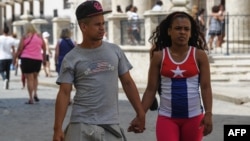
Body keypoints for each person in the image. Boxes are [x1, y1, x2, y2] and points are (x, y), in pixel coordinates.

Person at [52, 1, 145, 141]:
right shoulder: (71, 58)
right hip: (81, 125)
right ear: (83, 26)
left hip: (110, 126)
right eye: (97, 24)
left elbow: (128, 83)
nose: (102, 28)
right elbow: (64, 92)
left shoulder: (115, 51)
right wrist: (57, 128)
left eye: (103, 23)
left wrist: (140, 113)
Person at [131, 11, 213, 141]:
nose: (182, 32)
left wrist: (208, 114)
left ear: (191, 33)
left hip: (194, 118)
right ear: (169, 31)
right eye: (178, 28)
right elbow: (151, 89)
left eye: (186, 29)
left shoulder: (199, 56)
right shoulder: (159, 57)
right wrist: (141, 115)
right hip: (167, 118)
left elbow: (206, 87)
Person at [14, 23, 46, 104]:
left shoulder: (25, 37)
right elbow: (44, 48)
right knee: (35, 78)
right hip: (38, 59)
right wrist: (44, 59)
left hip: (27, 59)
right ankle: (35, 93)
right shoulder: (39, 37)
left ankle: (31, 98)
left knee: (29, 79)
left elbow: (19, 49)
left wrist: (14, 58)